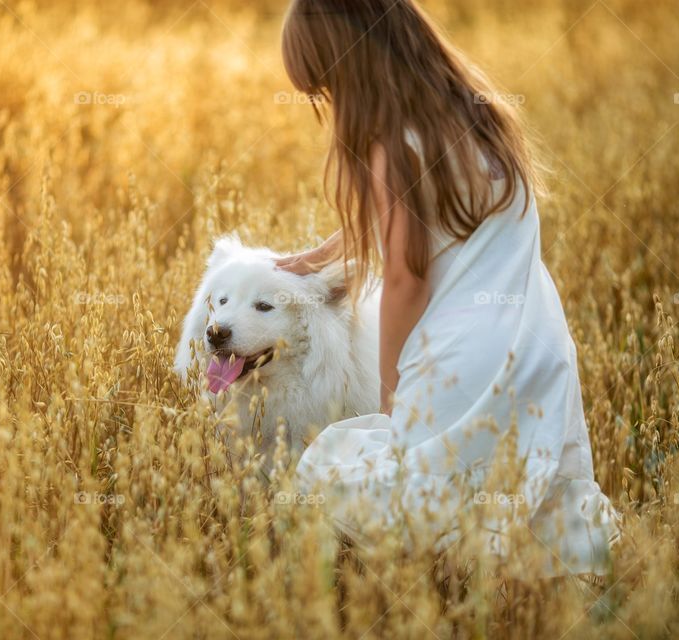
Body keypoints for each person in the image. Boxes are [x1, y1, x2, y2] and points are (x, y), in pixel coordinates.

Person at [275, 0, 619, 576]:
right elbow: (416, 216)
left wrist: (392, 390)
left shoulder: (391, 146)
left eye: (326, 86)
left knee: (332, 474)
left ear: (352, 69)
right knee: (530, 494)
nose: (327, 106)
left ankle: (436, 588)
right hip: (539, 352)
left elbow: (407, 278)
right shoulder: (479, 119)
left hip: (461, 363)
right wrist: (319, 256)